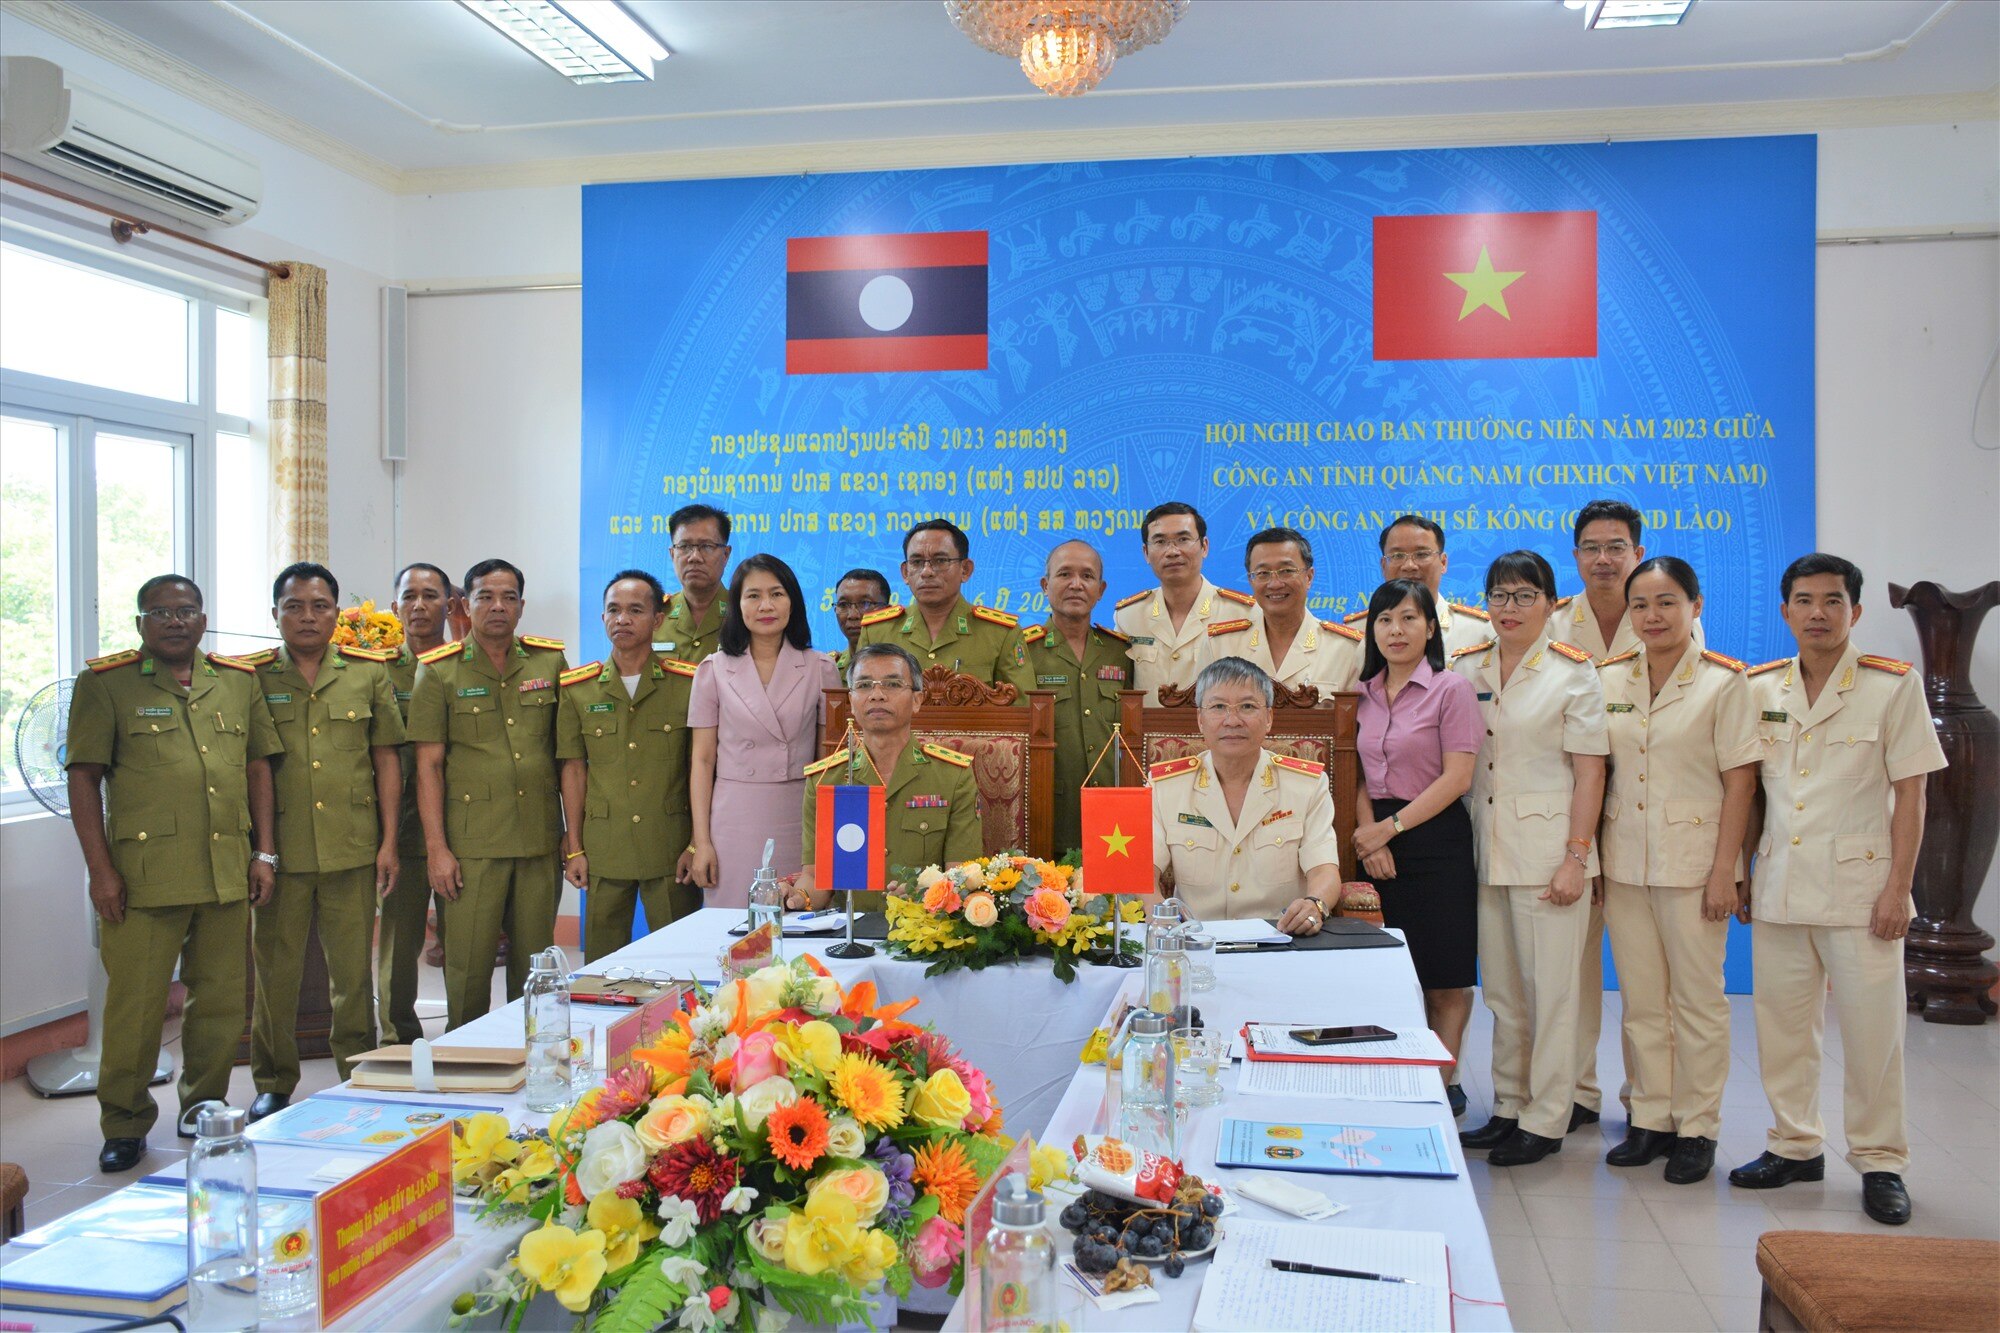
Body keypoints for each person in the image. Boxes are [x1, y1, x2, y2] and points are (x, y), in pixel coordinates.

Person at [1729, 553, 1945, 1225]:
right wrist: (1742, 869)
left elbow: (1912, 795)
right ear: (1786, 610)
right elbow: (1751, 793)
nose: (1817, 612)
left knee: (1874, 1035)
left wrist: (1898, 889)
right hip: (1782, 886)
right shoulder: (1761, 687)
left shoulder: (1891, 685)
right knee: (1784, 1029)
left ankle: (1881, 1160)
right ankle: (1795, 1144)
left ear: (1856, 610)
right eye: (1803, 600)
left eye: (1831, 600)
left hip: (1862, 891)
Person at [64, 575, 282, 1173]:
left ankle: (203, 1102)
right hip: (143, 878)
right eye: (160, 612)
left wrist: (265, 853)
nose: (175, 621)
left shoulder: (237, 683)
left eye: (186, 610)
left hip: (224, 870)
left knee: (218, 1001)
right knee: (135, 1008)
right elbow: (82, 778)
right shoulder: (106, 685)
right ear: (141, 624)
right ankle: (126, 1122)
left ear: (203, 619)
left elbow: (258, 767)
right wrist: (99, 871)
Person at [1595, 557, 1759, 1185]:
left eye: (1666, 602)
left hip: (1695, 867)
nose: (1652, 616)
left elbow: (1740, 783)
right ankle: (1652, 1119)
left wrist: (1728, 870)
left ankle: (1697, 1128)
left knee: (1698, 1002)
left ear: (1696, 605)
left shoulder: (1726, 683)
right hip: (1627, 862)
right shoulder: (1608, 678)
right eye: (1640, 605)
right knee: (1640, 1003)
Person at [1454, 550, 1609, 1167]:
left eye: (1524, 595)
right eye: (1499, 595)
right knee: (1504, 994)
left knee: (1554, 994)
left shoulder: (1575, 672)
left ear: (1550, 603)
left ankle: (1548, 1117)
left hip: (1550, 859)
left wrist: (1577, 856)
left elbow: (1591, 773)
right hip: (1484, 850)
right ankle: (1511, 1106)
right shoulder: (1468, 667)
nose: (1510, 608)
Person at [241, 563, 403, 1120]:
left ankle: (357, 1070)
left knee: (352, 974)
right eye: (294, 606)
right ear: (276, 614)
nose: (307, 617)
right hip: (278, 853)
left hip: (352, 847)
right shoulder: (251, 677)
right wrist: (260, 849)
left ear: (338, 613)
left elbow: (386, 759)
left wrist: (388, 843)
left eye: (318, 606)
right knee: (274, 974)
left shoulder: (367, 673)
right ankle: (273, 1081)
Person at [408, 559, 568, 1029]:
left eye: (509, 597)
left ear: (521, 606)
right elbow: (428, 766)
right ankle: (466, 1066)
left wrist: (571, 835)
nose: (498, 606)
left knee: (536, 969)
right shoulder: (439, 672)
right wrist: (436, 848)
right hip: (471, 847)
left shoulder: (549, 662)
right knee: (467, 970)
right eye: (485, 597)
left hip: (538, 841)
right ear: (464, 605)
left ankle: (532, 1058)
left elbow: (566, 758)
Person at [1352, 579, 1482, 1117]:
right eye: (1384, 619)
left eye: (1409, 618)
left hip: (1435, 837)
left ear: (1431, 628)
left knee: (1444, 975)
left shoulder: (1451, 689)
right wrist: (1368, 836)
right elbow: (1353, 772)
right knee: (1391, 974)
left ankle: (1440, 1086)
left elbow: (1458, 778)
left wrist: (1392, 828)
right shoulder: (1359, 692)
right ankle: (1394, 1075)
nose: (1396, 630)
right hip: (1374, 836)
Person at [1557, 498, 1659, 1133]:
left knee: (1650, 983)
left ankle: (1649, 1104)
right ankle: (1573, 1092)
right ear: (1576, 556)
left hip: (1642, 822)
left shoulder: (1661, 614)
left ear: (1637, 552)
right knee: (1571, 971)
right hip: (1569, 819)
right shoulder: (1554, 623)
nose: (1603, 558)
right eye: (1591, 548)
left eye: (1616, 547)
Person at [558, 570, 701, 960]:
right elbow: (573, 770)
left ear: (657, 619)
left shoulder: (688, 683)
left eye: (635, 610)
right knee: (601, 966)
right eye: (614, 610)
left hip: (670, 845)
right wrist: (574, 848)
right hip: (605, 845)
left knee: (680, 963)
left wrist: (696, 842)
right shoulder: (578, 688)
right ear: (602, 618)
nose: (622, 619)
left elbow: (701, 767)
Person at [688, 555, 845, 906]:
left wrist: (825, 839)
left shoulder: (821, 667)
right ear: (737, 605)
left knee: (797, 917)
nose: (766, 606)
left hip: (798, 814)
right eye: (753, 596)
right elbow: (701, 761)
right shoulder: (713, 670)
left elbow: (828, 763)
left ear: (793, 601)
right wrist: (702, 842)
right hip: (734, 817)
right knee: (731, 925)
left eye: (776, 594)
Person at [1149, 656, 1340, 931]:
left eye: (1247, 707)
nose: (1232, 720)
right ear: (1200, 720)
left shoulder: (1307, 785)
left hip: (1282, 939)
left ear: (1269, 718)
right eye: (1218, 707)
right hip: (1195, 940)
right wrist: (1160, 913)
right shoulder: (1165, 786)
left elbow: (1324, 869)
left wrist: (1314, 904)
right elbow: (1143, 871)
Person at [789, 643, 982, 911]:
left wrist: (927, 893)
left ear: (917, 700)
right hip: (851, 932)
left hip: (925, 929)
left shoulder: (953, 776)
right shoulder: (825, 780)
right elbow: (815, 877)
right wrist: (799, 897)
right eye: (865, 685)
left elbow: (962, 875)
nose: (877, 695)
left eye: (891, 685)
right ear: (852, 702)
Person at [377, 561, 451, 1044]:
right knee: (398, 946)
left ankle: (470, 1039)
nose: (419, 605)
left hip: (461, 828)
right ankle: (397, 1041)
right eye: (410, 596)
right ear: (395, 607)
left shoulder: (466, 665)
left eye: (431, 595)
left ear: (451, 604)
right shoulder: (375, 672)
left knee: (464, 949)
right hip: (399, 828)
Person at [1022, 541, 1135, 855]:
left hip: (1115, 812)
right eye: (1064, 574)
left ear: (1100, 589)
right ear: (1045, 585)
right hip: (1050, 807)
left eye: (1087, 576)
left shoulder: (1122, 652)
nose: (1076, 584)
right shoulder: (1022, 651)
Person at [856, 519, 1030, 692]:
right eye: (916, 562)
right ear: (905, 572)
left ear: (965, 570)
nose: (927, 572)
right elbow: (857, 703)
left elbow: (1024, 710)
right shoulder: (876, 632)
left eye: (940, 561)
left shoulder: (1001, 634)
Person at [1112, 502, 1254, 704]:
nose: (1172, 551)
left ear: (1204, 546)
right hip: (1147, 734)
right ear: (1146, 553)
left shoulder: (1242, 614)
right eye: (1160, 542)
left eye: (1183, 539)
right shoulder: (1129, 616)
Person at [1201, 527, 1363, 699]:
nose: (1275, 584)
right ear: (1250, 580)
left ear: (1309, 577)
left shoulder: (1348, 650)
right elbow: (1201, 716)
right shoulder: (1220, 645)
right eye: (1263, 573)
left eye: (1286, 571)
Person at [1344, 515, 1493, 656]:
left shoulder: (1480, 631)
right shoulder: (1356, 632)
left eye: (1422, 554)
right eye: (1397, 556)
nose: (1409, 566)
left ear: (1443, 563)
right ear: (1383, 566)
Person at [662, 504, 732, 664]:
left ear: (726, 554)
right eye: (684, 546)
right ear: (672, 554)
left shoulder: (745, 613)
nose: (694, 557)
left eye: (706, 546)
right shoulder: (653, 617)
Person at [832, 568, 892, 674]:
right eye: (843, 605)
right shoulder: (831, 669)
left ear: (887, 610)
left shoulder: (903, 663)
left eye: (865, 604)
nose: (852, 615)